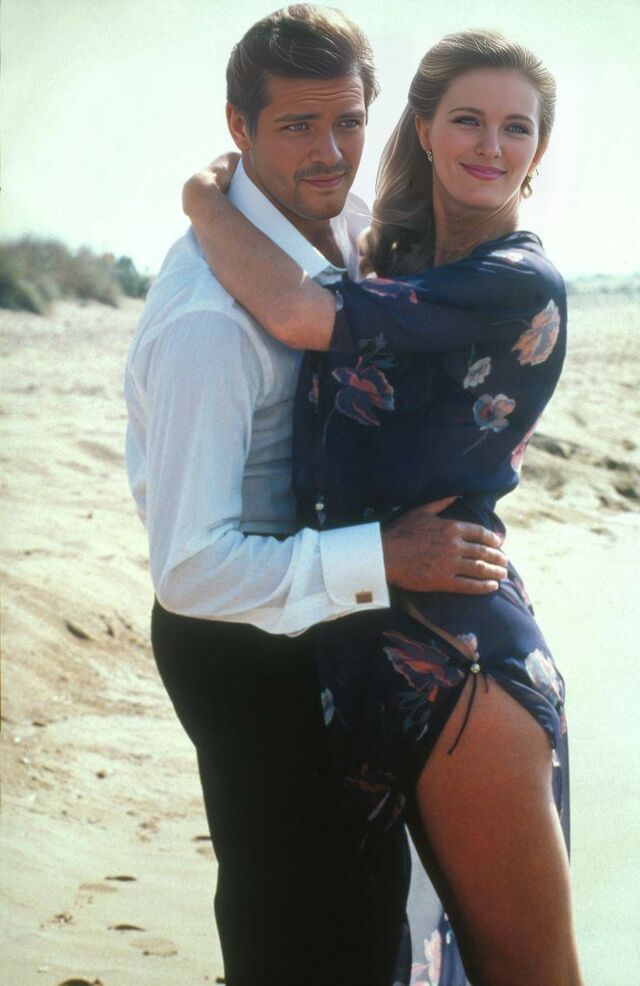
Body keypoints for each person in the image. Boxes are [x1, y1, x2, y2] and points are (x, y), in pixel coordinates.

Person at [182, 26, 585, 986]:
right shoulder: (392, 255)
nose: (492, 145)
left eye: (518, 128)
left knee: (523, 969)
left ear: (540, 150)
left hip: (460, 659)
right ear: (425, 127)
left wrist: (200, 198)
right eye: (469, 120)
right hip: (358, 638)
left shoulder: (515, 279)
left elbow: (294, 314)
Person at [124, 7, 509, 985]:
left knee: (371, 901)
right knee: (294, 914)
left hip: (334, 607)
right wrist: (385, 555)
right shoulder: (207, 326)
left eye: (348, 121)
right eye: (297, 125)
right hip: (241, 641)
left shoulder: (340, 220)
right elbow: (189, 570)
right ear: (239, 126)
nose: (330, 152)